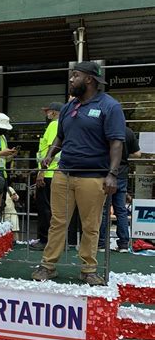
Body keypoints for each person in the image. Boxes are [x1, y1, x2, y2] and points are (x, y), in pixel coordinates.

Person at [32, 61, 125, 286]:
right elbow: (60, 137)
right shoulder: (68, 107)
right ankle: (48, 265)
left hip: (93, 177)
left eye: (75, 76)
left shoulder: (109, 106)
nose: (71, 80)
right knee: (57, 222)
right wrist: (50, 154)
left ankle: (88, 269)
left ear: (89, 80)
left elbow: (116, 143)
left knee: (90, 226)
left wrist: (112, 174)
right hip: (63, 174)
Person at [98, 126, 141, 253]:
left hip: (106, 172)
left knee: (104, 210)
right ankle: (123, 244)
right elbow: (138, 154)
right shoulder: (128, 132)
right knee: (121, 210)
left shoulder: (105, 130)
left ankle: (101, 243)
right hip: (121, 173)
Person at [30, 102, 63, 250]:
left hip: (49, 174)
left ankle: (45, 240)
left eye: (48, 111)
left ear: (54, 113)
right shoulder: (60, 126)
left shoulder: (54, 125)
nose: (46, 114)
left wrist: (41, 172)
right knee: (53, 209)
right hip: (54, 173)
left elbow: (51, 149)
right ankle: (54, 241)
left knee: (45, 209)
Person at [0, 113, 18, 224]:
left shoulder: (2, 138)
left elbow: (5, 159)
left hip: (3, 172)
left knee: (2, 200)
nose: (4, 131)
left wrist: (11, 155)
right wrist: (2, 152)